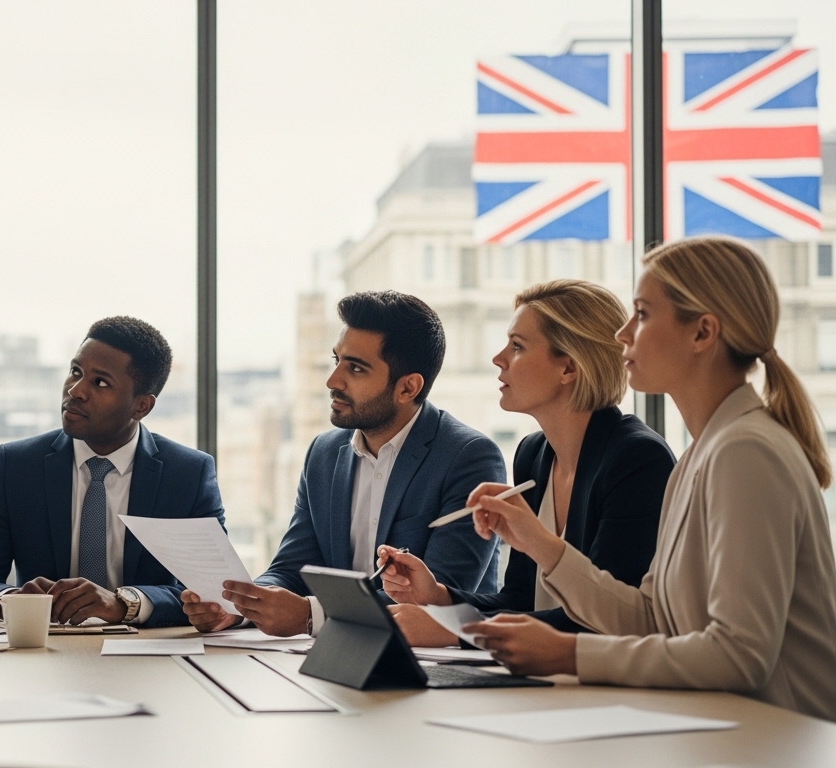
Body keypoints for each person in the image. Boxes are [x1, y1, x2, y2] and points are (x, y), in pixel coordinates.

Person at [462, 237, 836, 722]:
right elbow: (650, 620)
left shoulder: (746, 452)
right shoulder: (701, 455)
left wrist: (567, 654)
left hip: (775, 740)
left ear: (702, 334)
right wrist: (541, 546)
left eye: (641, 313)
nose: (621, 334)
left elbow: (741, 655)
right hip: (724, 732)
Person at [182, 290, 507, 637]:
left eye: (355, 368)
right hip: (335, 657)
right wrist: (240, 606)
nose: (332, 381)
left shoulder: (467, 457)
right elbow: (293, 568)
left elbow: (442, 595)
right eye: (336, 360)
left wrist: (311, 615)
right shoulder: (324, 452)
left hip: (433, 664)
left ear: (408, 387)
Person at [378, 280, 674, 646]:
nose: (498, 358)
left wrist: (458, 631)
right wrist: (437, 597)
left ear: (568, 368)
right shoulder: (533, 454)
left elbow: (610, 622)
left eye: (517, 346)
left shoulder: (637, 460)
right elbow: (519, 601)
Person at [0, 317, 224, 627]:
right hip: (43, 659)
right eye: (76, 372)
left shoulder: (187, 474)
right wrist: (10, 602)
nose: (75, 390)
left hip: (149, 662)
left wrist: (125, 604)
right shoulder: (18, 466)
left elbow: (213, 595)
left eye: (100, 382)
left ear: (141, 407)